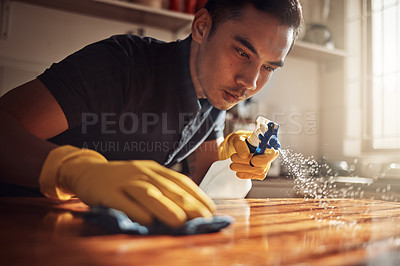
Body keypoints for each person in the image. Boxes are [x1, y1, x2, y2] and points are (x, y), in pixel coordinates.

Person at [0, 0, 302, 227]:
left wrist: (234, 163)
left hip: (95, 236)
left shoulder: (214, 102)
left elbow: (205, 188)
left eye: (268, 67)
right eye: (242, 53)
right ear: (201, 27)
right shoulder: (122, 64)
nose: (250, 82)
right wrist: (75, 171)